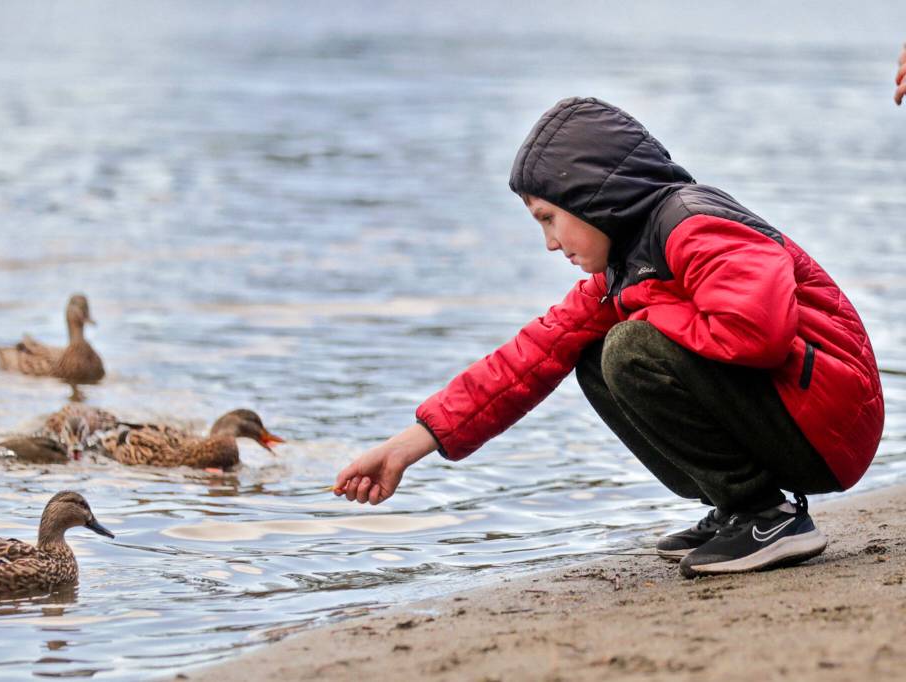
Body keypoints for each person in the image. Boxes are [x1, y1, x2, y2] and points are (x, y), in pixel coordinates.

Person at [333, 97, 884, 579]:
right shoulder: (623, 269)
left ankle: (768, 518)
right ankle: (739, 509)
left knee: (627, 347)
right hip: (794, 413)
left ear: (592, 195)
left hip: (831, 416)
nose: (551, 243)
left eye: (550, 218)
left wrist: (645, 307)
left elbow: (756, 335)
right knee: (591, 355)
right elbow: (525, 360)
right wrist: (407, 447)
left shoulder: (691, 222)